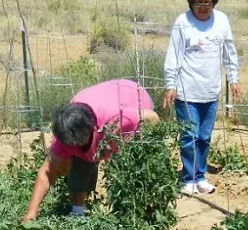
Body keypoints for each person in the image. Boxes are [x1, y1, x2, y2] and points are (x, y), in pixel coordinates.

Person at [21, 79, 160, 222]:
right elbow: (47, 172)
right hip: (101, 101)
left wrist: (144, 143)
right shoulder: (66, 130)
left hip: (133, 97)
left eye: (77, 144)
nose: (73, 148)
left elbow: (153, 118)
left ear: (90, 129)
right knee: (81, 160)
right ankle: (77, 214)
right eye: (71, 145)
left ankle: (137, 215)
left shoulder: (120, 119)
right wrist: (31, 212)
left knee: (129, 167)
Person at [163, 0, 241, 194]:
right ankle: (188, 178)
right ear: (192, 2)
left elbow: (229, 52)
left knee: (204, 137)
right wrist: (171, 85)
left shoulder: (222, 21)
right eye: (200, 3)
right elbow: (174, 55)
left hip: (210, 91)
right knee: (189, 136)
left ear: (214, 2)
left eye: (208, 2)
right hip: (187, 91)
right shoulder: (182, 22)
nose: (204, 7)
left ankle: (200, 176)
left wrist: (233, 79)